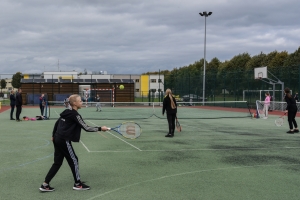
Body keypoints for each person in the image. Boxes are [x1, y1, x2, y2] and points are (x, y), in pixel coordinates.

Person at [39, 94, 108, 192]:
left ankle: (45, 184)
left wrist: (53, 135)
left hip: (57, 138)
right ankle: (78, 184)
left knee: (57, 163)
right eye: (80, 101)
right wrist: (101, 128)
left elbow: (58, 122)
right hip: (63, 140)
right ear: (74, 103)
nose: (82, 102)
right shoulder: (75, 115)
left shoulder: (66, 112)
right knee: (74, 160)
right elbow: (86, 127)